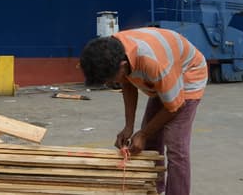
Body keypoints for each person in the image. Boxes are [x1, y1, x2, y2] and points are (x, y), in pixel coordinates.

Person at [79, 27, 207, 195]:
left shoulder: (154, 64)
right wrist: (129, 127)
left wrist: (144, 133)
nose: (109, 85)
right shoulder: (114, 49)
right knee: (150, 139)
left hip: (189, 74)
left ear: (122, 66)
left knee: (176, 147)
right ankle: (154, 190)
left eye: (110, 81)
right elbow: (127, 83)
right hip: (163, 75)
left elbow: (175, 107)